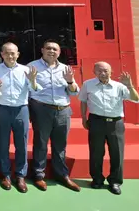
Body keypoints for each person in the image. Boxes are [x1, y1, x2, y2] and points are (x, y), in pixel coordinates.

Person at [28, 39, 80, 192]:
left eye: (55, 49)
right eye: (48, 48)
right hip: (41, 109)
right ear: (42, 50)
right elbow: (27, 90)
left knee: (60, 144)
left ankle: (62, 174)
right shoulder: (32, 66)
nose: (51, 51)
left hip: (63, 110)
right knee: (41, 143)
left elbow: (74, 92)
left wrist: (70, 82)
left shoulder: (65, 69)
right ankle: (38, 175)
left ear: (59, 52)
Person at [79, 62, 139, 195]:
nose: (102, 73)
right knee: (96, 152)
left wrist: (130, 85)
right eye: (99, 70)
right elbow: (83, 101)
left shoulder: (119, 86)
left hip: (115, 123)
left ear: (111, 72)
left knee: (117, 153)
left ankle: (115, 181)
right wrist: (83, 118)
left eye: (105, 70)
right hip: (96, 121)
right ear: (94, 72)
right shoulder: (88, 84)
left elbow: (136, 99)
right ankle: (97, 179)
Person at [0, 42, 40, 193]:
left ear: (18, 54)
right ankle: (5, 174)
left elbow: (35, 90)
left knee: (21, 143)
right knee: (3, 143)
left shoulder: (26, 70)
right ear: (2, 54)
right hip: (2, 108)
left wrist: (32, 80)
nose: (10, 56)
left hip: (21, 109)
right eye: (7, 53)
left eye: (13, 53)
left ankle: (20, 175)